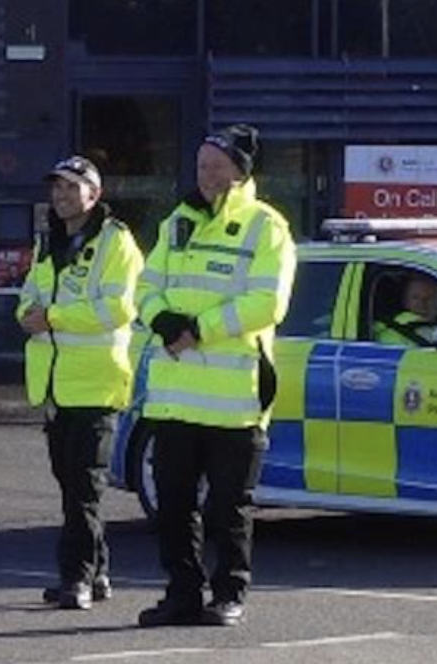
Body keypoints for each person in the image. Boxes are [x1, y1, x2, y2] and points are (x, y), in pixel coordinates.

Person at [134, 124, 296, 627]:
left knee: (229, 509)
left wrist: (197, 329)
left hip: (234, 398)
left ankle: (229, 593)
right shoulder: (177, 221)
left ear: (240, 171)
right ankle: (181, 593)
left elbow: (267, 302)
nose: (206, 176)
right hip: (173, 396)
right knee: (175, 507)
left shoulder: (265, 226)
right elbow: (146, 285)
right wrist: (162, 320)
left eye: (216, 167)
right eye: (201, 166)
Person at [16, 155, 144, 610]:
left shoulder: (116, 243)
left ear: (95, 194)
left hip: (97, 384)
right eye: (57, 188)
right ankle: (101, 571)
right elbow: (30, 294)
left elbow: (118, 309)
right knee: (70, 484)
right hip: (55, 385)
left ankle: (77, 580)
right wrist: (28, 314)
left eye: (72, 187)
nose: (61, 195)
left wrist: (52, 317)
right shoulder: (49, 240)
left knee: (84, 488)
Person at [373, 274, 437, 346]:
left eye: (429, 298)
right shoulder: (392, 331)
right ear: (405, 301)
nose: (422, 303)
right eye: (415, 298)